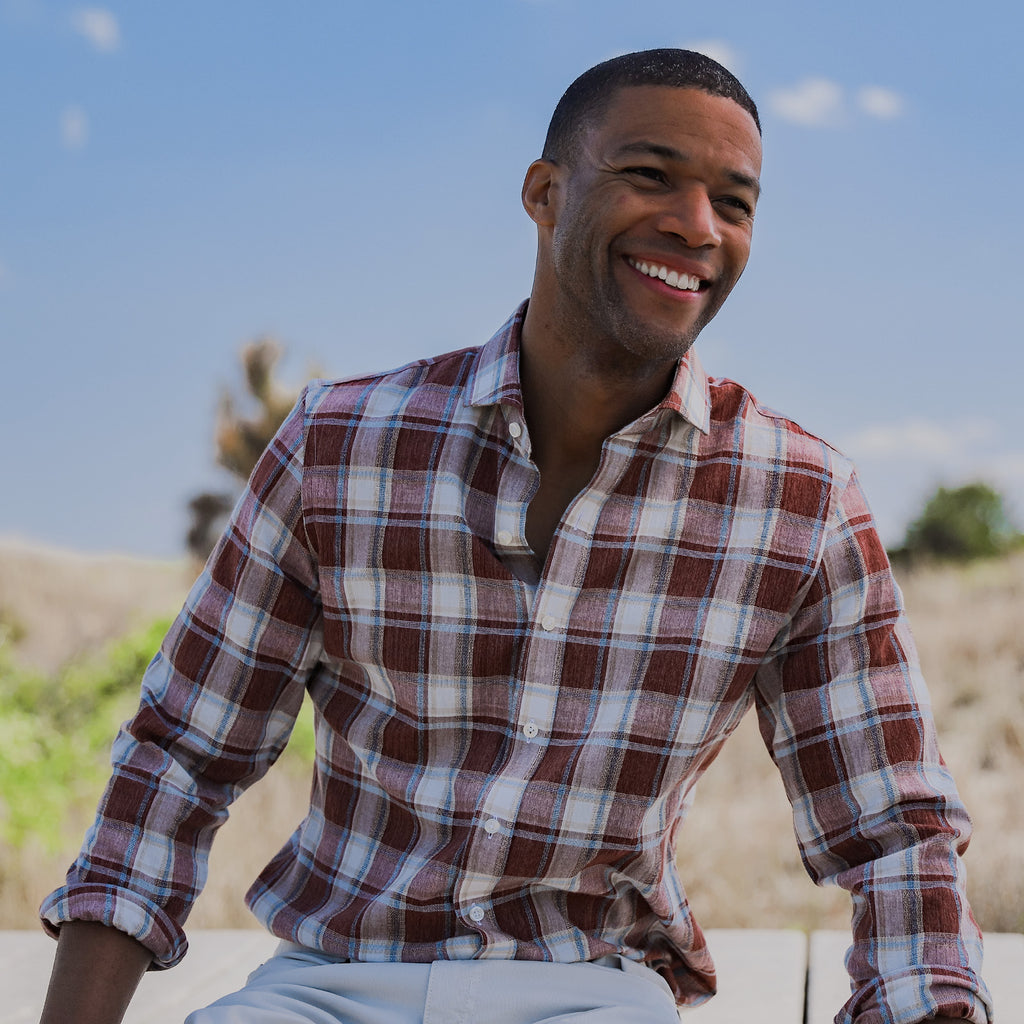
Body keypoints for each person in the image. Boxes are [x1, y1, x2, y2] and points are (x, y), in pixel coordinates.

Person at [38, 49, 991, 1024]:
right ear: (544, 192)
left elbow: (892, 828)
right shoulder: (340, 443)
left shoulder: (800, 499)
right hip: (329, 985)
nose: (696, 225)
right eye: (650, 175)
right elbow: (180, 755)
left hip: (590, 993)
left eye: (733, 201)